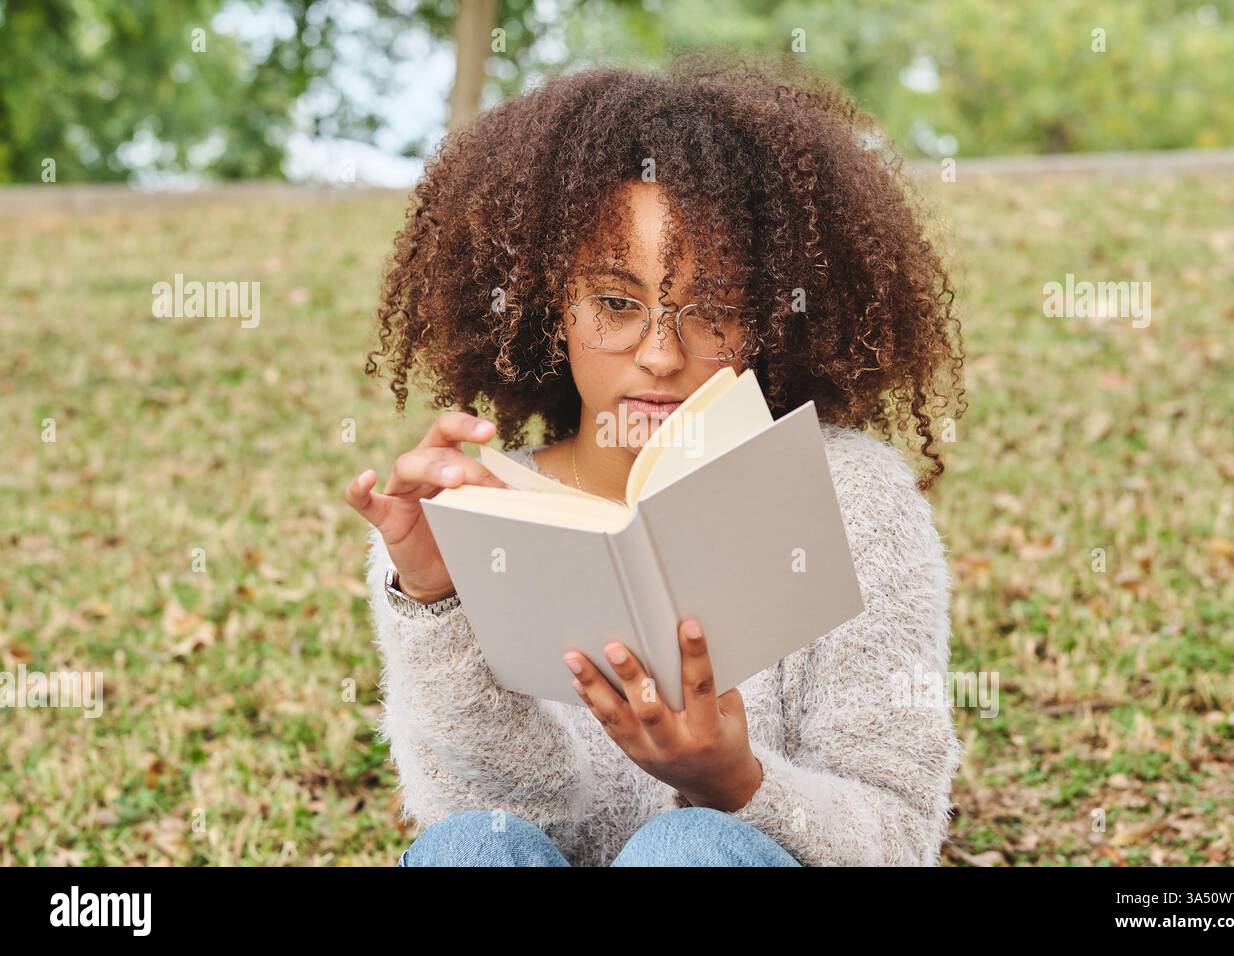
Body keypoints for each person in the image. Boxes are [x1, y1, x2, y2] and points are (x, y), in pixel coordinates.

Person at [346, 51, 966, 866]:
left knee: (693, 847)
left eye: (715, 310)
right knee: (467, 846)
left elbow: (897, 835)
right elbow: (493, 820)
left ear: (773, 317)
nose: (662, 355)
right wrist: (434, 602)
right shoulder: (482, 506)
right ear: (549, 308)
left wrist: (735, 783)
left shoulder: (851, 496)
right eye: (615, 303)